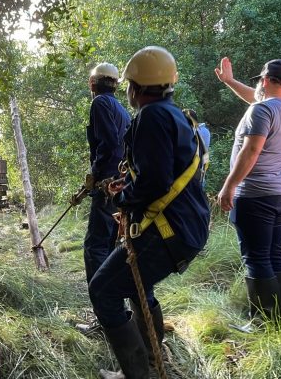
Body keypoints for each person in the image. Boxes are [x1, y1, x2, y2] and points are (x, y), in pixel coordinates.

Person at [91, 46, 210, 378]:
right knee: (136, 285)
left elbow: (155, 182)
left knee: (103, 290)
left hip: (170, 231)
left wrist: (123, 200)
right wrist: (129, 190)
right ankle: (153, 359)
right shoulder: (174, 114)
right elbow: (160, 175)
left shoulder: (151, 116)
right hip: (184, 227)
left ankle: (139, 372)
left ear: (137, 87)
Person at [214, 57, 281, 326]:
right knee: (275, 253)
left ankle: (261, 322)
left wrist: (230, 185)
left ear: (264, 80)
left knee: (257, 258)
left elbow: (251, 151)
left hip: (255, 194)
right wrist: (229, 81)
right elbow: (257, 99)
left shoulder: (260, 111)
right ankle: (279, 319)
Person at [83, 62, 131, 284]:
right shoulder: (121, 109)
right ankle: (113, 303)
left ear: (92, 83)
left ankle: (101, 302)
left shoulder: (99, 103)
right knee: (111, 244)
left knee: (95, 246)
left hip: (107, 184)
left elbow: (109, 143)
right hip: (121, 183)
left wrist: (96, 173)